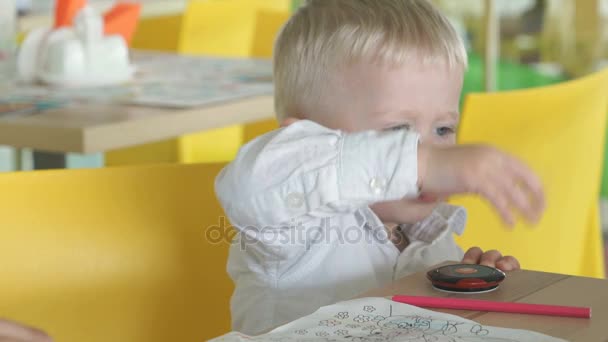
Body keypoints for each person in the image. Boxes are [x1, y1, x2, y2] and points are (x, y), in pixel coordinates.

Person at [215, 0, 545, 335]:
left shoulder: (432, 234)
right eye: (398, 132)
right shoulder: (295, 231)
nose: (427, 152)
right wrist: (423, 164)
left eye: (443, 130)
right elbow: (249, 187)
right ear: (306, 138)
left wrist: (463, 292)